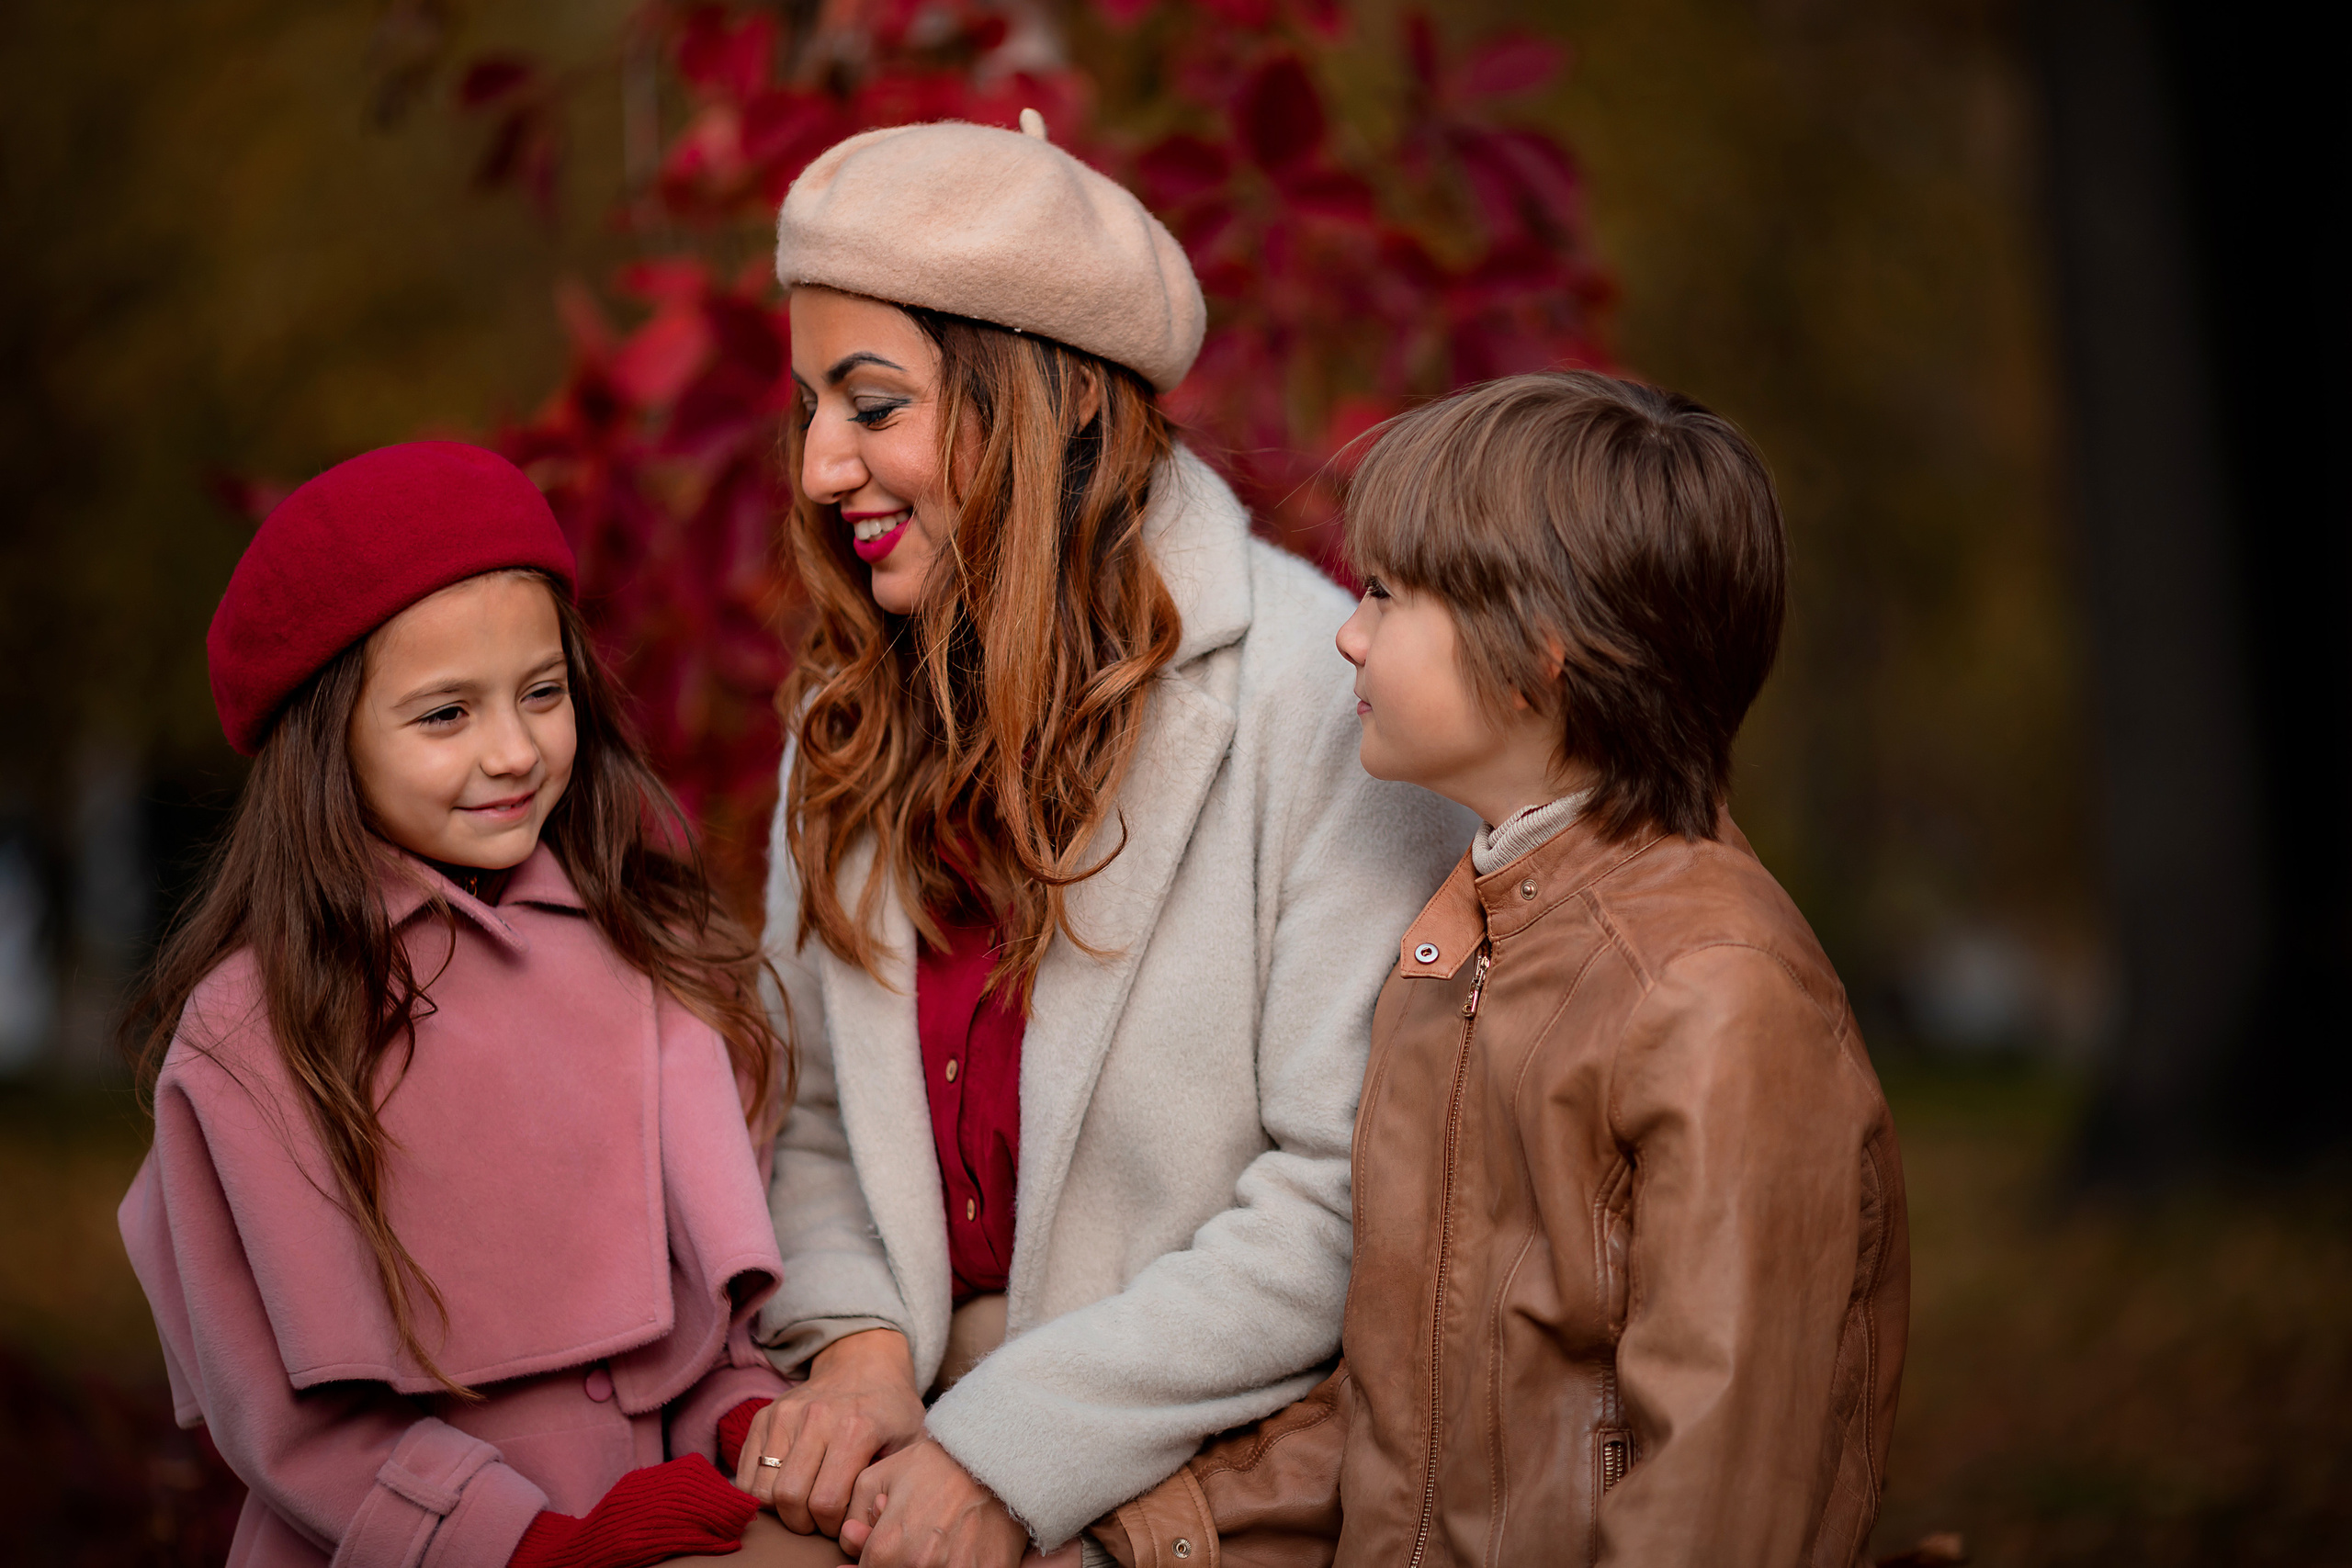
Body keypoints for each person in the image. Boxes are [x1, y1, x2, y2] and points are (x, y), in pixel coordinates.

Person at [729, 118, 1472, 1566]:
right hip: (908, 1427)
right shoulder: (847, 711)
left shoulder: (1318, 701)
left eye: (873, 405)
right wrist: (862, 1340)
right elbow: (805, 1112)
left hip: (1214, 1461)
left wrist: (1010, 1451)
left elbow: (1341, 1198)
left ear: (1048, 404)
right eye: (811, 403)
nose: (822, 465)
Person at [1095, 372, 1912, 1567]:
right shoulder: (1470, 934)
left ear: (1540, 651)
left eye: (1386, 592)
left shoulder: (1716, 993)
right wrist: (1140, 1533)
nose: (1347, 629)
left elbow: (1717, 1499)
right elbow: (1411, 1421)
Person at [116, 442, 821, 1568]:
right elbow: (293, 1426)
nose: (512, 751)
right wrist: (529, 1543)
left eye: (542, 694)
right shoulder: (256, 1028)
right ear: (325, 737)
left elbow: (712, 1318)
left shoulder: (653, 946)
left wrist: (750, 1421)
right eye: (444, 716)